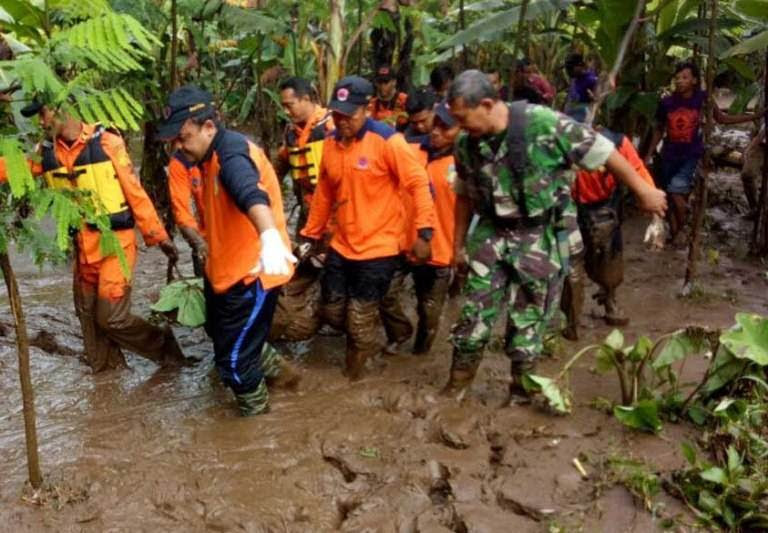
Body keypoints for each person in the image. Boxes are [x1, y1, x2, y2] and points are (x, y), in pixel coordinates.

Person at [444, 70, 667, 404]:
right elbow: (463, 193)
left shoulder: (544, 124)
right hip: (491, 234)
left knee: (529, 320)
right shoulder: (466, 144)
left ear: (488, 105)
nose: (461, 128)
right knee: (473, 317)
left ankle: (520, 393)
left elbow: (605, 151)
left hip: (538, 235)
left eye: (464, 119)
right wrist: (458, 244)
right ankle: (457, 387)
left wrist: (644, 191)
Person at [3, 99, 186, 372]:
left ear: (62, 106)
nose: (41, 121)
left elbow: (134, 192)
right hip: (83, 250)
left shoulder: (107, 143)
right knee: (87, 315)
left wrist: (159, 237)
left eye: (44, 113)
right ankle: (107, 376)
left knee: (111, 317)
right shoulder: (47, 151)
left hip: (116, 245)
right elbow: (15, 169)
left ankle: (166, 349)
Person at [157, 85, 297, 416]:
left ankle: (257, 428)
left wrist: (270, 236)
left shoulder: (231, 153)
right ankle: (286, 377)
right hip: (223, 270)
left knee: (233, 364)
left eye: (183, 137)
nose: (178, 147)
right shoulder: (202, 158)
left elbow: (249, 192)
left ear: (209, 127)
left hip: (252, 273)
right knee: (223, 340)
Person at [300, 76, 435, 380]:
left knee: (359, 321)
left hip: (379, 248)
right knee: (332, 311)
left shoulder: (389, 142)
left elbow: (419, 184)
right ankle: (388, 332)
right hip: (341, 244)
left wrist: (424, 232)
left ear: (368, 109)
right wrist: (309, 235)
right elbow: (324, 192)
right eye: (337, 114)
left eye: (350, 114)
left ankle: (354, 378)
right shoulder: (331, 144)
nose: (342, 120)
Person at [645, 61, 763, 244]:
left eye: (684, 77)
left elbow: (722, 118)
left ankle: (685, 227)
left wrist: (754, 116)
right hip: (669, 154)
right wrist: (649, 153)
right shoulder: (666, 102)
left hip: (690, 154)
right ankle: (676, 236)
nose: (680, 81)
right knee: (670, 196)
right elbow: (659, 129)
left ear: (694, 80)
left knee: (676, 192)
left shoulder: (702, 98)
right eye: (677, 78)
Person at [562, 128, 657, 339]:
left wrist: (651, 199)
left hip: (603, 209)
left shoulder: (615, 141)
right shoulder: (555, 136)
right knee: (570, 269)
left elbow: (637, 170)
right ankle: (571, 319)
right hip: (566, 211)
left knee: (609, 264)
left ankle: (610, 298)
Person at [275, 77, 334, 235]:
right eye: (283, 106)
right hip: (307, 210)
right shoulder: (291, 132)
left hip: (333, 213)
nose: (286, 111)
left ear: (306, 99)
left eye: (290, 105)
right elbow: (278, 167)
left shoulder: (330, 126)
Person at [167, 146, 206, 276]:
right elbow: (181, 209)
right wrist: (198, 243)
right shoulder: (180, 161)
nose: (179, 145)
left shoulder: (229, 154)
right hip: (207, 234)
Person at [368, 65, 409, 130]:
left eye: (386, 82)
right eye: (380, 82)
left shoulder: (404, 100)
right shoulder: (372, 103)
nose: (382, 86)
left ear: (394, 82)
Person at [564, 53, 597, 123]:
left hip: (581, 121)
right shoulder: (575, 79)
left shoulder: (591, 80)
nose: (568, 71)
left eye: (570, 68)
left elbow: (596, 101)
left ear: (580, 66)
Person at [741, 125, 765, 216]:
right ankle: (754, 208)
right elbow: (761, 133)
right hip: (762, 146)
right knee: (747, 175)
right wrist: (749, 149)